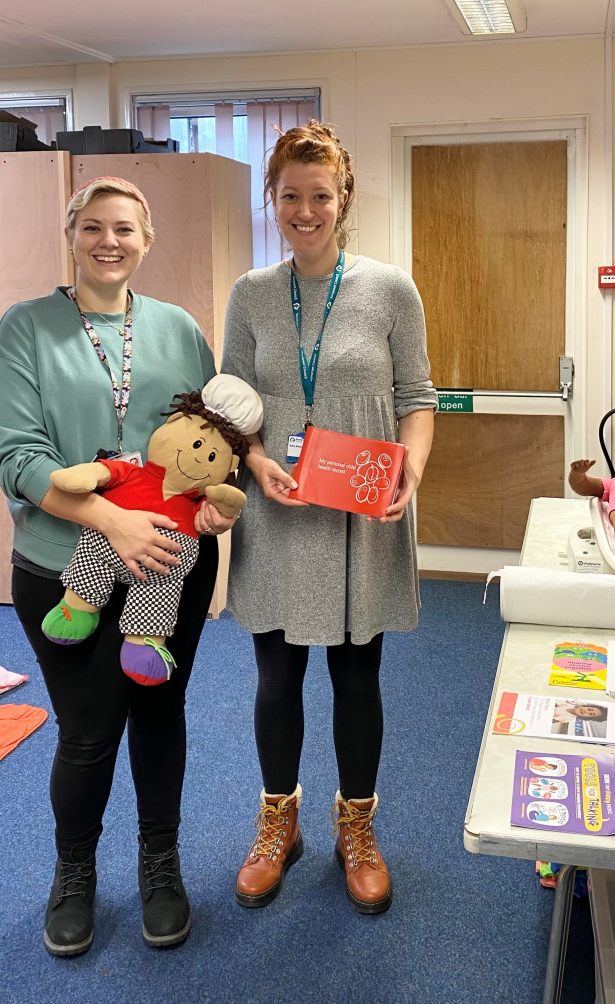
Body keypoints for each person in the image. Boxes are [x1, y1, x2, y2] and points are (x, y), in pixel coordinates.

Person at [0, 176, 235, 957]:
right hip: (64, 566)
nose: (109, 241)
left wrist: (218, 504)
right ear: (73, 234)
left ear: (146, 239)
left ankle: (161, 865)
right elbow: (15, 456)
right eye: (93, 226)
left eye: (124, 228)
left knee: (161, 711)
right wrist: (109, 519)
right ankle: (75, 874)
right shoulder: (26, 327)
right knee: (89, 732)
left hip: (169, 564)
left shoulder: (181, 329)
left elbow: (208, 439)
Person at [220, 120, 437, 915]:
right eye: (290, 196)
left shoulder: (389, 288)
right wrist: (252, 459)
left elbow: (418, 397)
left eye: (320, 195)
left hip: (359, 510)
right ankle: (280, 820)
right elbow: (227, 405)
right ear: (272, 200)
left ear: (344, 199)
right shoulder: (250, 292)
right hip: (278, 508)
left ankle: (357, 825)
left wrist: (411, 464)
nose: (305, 211)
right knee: (276, 674)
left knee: (357, 673)